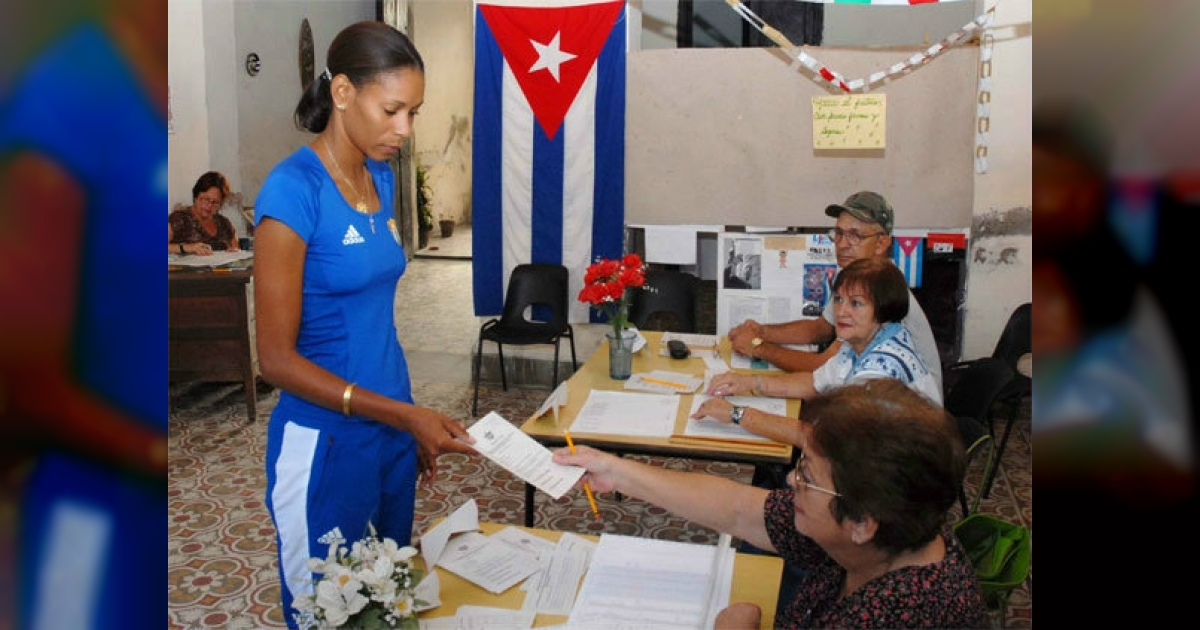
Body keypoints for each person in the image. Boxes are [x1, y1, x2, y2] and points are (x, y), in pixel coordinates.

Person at [253, 21, 476, 627]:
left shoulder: (378, 177)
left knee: (386, 605)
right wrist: (402, 416)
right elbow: (274, 361)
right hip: (325, 444)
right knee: (327, 613)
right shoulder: (292, 191)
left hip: (388, 433)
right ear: (344, 93)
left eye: (415, 113)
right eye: (393, 110)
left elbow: (375, 320)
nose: (404, 130)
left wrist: (406, 422)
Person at [554, 379, 989, 629]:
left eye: (808, 478)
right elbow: (742, 509)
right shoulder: (887, 536)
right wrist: (616, 471)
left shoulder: (898, 615)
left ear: (862, 522)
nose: (791, 479)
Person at [0, 1, 168, 629]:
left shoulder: (155, 80)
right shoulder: (70, 97)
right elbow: (27, 378)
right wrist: (162, 456)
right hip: (94, 506)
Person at [696, 257, 941, 444]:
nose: (842, 311)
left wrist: (737, 414)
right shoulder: (862, 341)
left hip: (896, 487)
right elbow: (814, 383)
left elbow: (820, 440)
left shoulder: (879, 369)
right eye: (838, 299)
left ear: (883, 310)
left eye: (856, 303)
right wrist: (747, 382)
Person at [728, 191, 942, 392]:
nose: (842, 244)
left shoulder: (884, 291)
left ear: (881, 243)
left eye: (855, 235)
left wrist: (758, 347)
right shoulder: (857, 276)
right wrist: (762, 332)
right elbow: (821, 328)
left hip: (909, 417)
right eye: (838, 233)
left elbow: (822, 366)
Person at [168, 170, 239, 255]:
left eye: (215, 202)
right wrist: (187, 247)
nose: (209, 205)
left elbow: (236, 250)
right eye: (205, 199)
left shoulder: (224, 223)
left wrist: (234, 252)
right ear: (196, 196)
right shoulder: (178, 219)